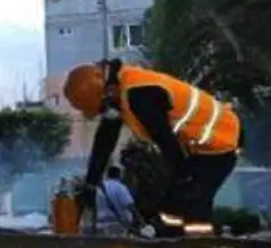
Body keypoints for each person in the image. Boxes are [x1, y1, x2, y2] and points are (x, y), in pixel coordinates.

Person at [63, 59, 241, 237]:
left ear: (107, 93)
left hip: (222, 139)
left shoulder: (138, 95)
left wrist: (183, 175)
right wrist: (91, 183)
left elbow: (165, 139)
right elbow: (105, 140)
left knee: (191, 200)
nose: (105, 113)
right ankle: (173, 246)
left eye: (103, 108)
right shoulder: (121, 91)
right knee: (171, 209)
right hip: (201, 148)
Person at [94, 165, 140, 235]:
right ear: (119, 175)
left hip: (101, 224)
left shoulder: (100, 188)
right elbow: (130, 205)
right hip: (117, 225)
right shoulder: (120, 187)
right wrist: (138, 217)